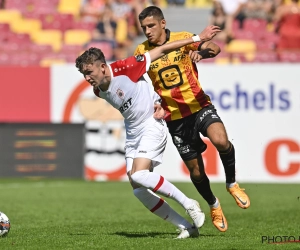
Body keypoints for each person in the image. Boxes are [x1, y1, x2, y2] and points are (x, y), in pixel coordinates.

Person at [75, 24, 221, 238]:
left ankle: (189, 203)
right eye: (83, 74)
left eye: (89, 72)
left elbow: (162, 50)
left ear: (103, 67)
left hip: (152, 124)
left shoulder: (126, 67)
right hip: (133, 132)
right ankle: (186, 227)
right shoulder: (97, 90)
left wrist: (197, 37)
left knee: (140, 175)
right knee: (137, 186)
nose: (87, 78)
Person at [134, 6, 251, 232]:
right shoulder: (143, 50)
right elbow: (137, 81)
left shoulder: (184, 38)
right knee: (196, 172)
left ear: (163, 23)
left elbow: (213, 47)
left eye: (151, 26)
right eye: (143, 28)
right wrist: (153, 102)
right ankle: (213, 204)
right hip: (176, 119)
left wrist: (202, 52)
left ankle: (232, 184)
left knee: (221, 140)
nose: (147, 31)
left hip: (199, 106)